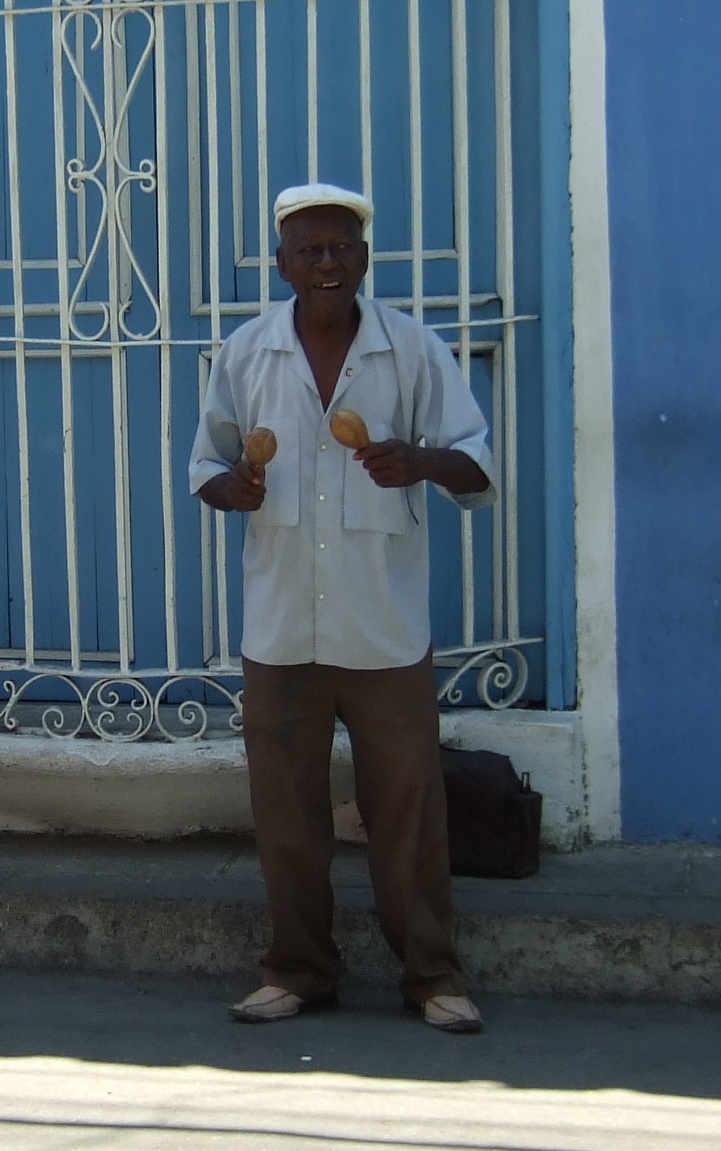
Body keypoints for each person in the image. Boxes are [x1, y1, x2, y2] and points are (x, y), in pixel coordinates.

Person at [189, 184, 495, 1033]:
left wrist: (420, 462)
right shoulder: (249, 354)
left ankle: (432, 976)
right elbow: (205, 468)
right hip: (281, 625)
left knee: (409, 814)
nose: (327, 264)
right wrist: (239, 487)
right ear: (282, 263)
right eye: (309, 251)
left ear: (365, 259)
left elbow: (477, 464)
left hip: (385, 627)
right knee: (286, 817)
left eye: (342, 249)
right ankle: (297, 971)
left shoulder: (412, 352)